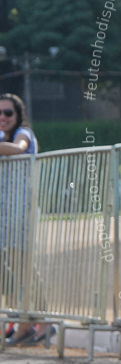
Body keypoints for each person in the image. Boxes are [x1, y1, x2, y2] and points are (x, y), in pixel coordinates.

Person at [0, 94, 48, 346]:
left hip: (22, 211)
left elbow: (18, 149)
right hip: (6, 213)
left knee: (24, 269)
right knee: (17, 272)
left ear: (18, 115)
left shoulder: (24, 134)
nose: (3, 117)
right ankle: (26, 320)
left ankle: (39, 321)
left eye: (8, 112)